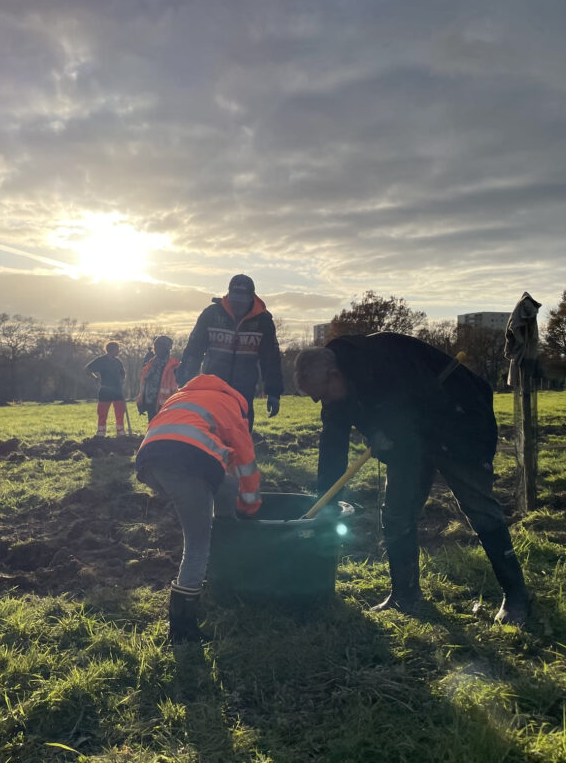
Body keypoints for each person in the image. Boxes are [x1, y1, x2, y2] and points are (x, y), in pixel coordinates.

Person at [294, 333, 532, 626]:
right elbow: (333, 444)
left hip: (457, 422)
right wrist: (325, 500)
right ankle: (405, 595)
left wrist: (387, 430)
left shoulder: (383, 358)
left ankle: (516, 596)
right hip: (408, 442)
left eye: (322, 394)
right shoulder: (336, 392)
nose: (323, 402)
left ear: (334, 374)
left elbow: (426, 401)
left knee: (478, 507)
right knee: (396, 513)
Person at [135, 374, 262, 644]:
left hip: (149, 460)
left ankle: (225, 528)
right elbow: (246, 461)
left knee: (224, 485)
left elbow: (228, 475)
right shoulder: (231, 406)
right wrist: (250, 508)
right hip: (186, 462)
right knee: (197, 542)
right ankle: (183, 632)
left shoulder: (183, 395)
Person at [177, 274, 283, 431]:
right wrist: (184, 382)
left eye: (243, 296)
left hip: (244, 392)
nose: (238, 301)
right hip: (211, 388)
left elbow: (271, 359)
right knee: (211, 434)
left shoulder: (263, 321)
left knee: (240, 434)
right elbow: (193, 351)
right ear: (228, 294)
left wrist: (273, 392)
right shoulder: (211, 315)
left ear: (251, 297)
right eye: (235, 295)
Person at [85, 342, 127, 436]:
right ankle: (101, 434)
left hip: (117, 390)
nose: (118, 351)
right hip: (105, 390)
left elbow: (122, 373)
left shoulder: (117, 361)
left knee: (120, 413)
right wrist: (95, 377)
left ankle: (121, 433)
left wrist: (122, 380)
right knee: (102, 413)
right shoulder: (101, 360)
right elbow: (87, 369)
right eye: (117, 349)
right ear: (111, 350)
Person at [136, 335, 180, 421]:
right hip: (150, 404)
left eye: (160, 346)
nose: (156, 348)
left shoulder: (174, 365)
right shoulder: (149, 364)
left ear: (167, 348)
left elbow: (177, 389)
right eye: (155, 346)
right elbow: (144, 385)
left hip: (167, 406)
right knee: (152, 428)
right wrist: (141, 402)